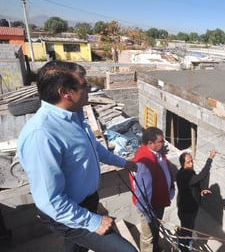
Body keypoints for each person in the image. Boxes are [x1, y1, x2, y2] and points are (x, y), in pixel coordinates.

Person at [17, 60, 138, 252]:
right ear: (65, 92)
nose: (89, 89)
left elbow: (94, 149)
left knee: (76, 247)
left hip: (86, 201)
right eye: (84, 85)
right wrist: (93, 221)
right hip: (65, 211)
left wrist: (124, 162)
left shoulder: (75, 116)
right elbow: (50, 201)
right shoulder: (42, 134)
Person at [129, 127, 175, 252]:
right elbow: (141, 194)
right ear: (150, 143)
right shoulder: (143, 162)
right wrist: (149, 215)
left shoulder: (156, 152)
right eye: (161, 141)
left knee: (155, 229)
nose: (163, 143)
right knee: (148, 236)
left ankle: (156, 247)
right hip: (149, 207)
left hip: (159, 201)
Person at [176, 149, 217, 252]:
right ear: (182, 164)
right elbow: (201, 176)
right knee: (186, 233)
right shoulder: (184, 176)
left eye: (192, 161)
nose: (191, 164)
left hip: (192, 208)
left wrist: (201, 190)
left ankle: (186, 246)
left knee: (188, 230)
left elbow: (196, 184)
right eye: (188, 162)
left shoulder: (189, 172)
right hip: (186, 211)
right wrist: (210, 158)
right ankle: (183, 249)